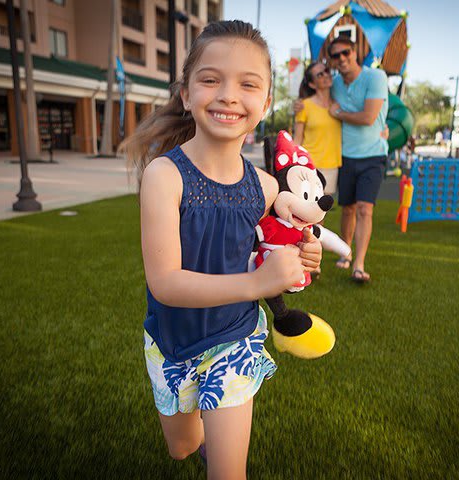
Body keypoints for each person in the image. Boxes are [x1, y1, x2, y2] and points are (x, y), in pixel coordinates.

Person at [119, 21, 322, 480]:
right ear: (187, 94)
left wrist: (306, 257)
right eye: (211, 79)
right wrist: (257, 281)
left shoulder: (266, 186)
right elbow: (166, 282)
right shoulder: (165, 177)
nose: (229, 95)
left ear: (265, 103)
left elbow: (285, 243)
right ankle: (201, 438)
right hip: (172, 341)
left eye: (248, 85)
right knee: (183, 447)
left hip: (235, 338)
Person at [326, 35, 389, 283]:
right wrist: (300, 104)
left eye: (346, 53)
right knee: (348, 209)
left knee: (365, 209)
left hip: (373, 154)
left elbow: (368, 117)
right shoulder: (334, 84)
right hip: (345, 155)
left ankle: (359, 264)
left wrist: (339, 113)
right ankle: (346, 251)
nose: (341, 58)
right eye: (336, 55)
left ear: (355, 53)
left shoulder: (375, 76)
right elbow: (318, 97)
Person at [293, 61, 342, 279]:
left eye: (326, 71)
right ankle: (304, 258)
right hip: (310, 167)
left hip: (331, 166)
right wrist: (294, 164)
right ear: (312, 84)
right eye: (320, 74)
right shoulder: (304, 105)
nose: (326, 75)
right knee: (306, 215)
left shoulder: (339, 105)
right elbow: (297, 137)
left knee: (320, 216)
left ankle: (313, 256)